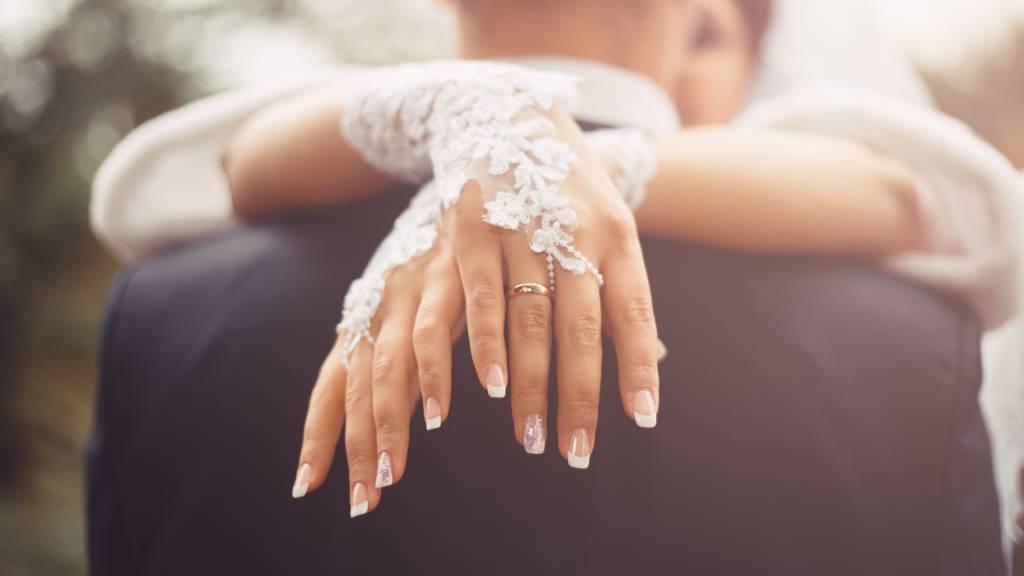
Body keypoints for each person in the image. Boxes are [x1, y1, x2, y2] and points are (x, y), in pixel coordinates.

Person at [88, 0, 1019, 573]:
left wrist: (527, 152)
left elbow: (168, 177)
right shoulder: (912, 342)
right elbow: (957, 208)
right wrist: (518, 145)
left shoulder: (159, 312)